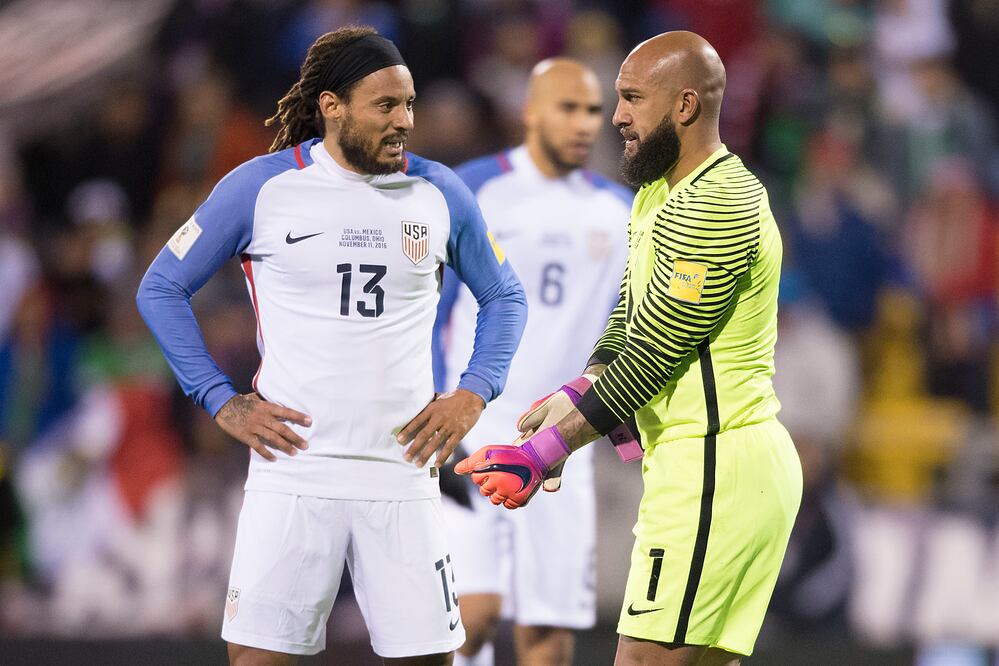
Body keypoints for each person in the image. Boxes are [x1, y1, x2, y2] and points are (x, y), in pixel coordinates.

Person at [136, 27, 527, 666]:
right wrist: (220, 400)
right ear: (331, 105)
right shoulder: (259, 188)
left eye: (409, 105)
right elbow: (160, 288)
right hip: (294, 471)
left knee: (428, 660)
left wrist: (474, 393)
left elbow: (506, 297)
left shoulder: (439, 192)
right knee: (257, 660)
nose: (403, 121)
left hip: (401, 471)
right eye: (385, 106)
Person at [457, 31, 803, 666]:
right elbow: (626, 322)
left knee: (639, 659)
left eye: (631, 99)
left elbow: (659, 353)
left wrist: (546, 449)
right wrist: (572, 395)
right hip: (689, 464)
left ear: (685, 106)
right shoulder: (657, 194)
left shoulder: (719, 201)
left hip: (717, 466)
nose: (616, 117)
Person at [434, 58, 632, 666]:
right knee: (470, 614)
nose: (583, 124)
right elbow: (429, 311)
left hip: (562, 440)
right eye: (567, 108)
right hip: (471, 429)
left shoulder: (623, 210)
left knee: (549, 628)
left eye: (593, 111)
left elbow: (629, 330)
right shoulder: (471, 190)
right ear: (529, 111)